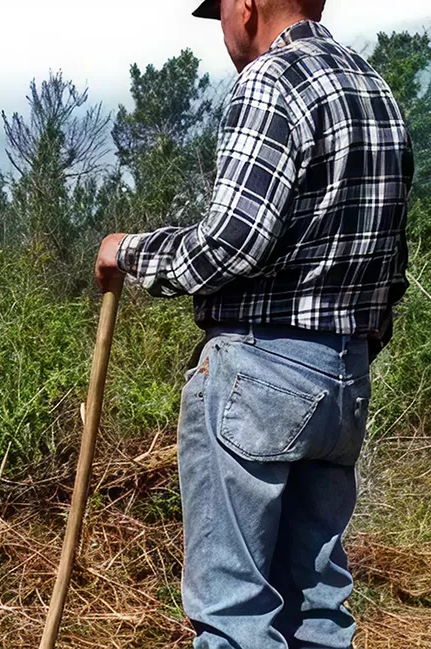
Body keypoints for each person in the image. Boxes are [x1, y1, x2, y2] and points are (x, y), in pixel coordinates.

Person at [94, 1, 412, 647]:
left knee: (235, 612)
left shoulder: (272, 79)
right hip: (343, 380)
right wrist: (341, 356)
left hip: (260, 376)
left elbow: (231, 243)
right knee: (318, 609)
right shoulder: (377, 90)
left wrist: (127, 249)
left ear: (246, 7)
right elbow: (393, 265)